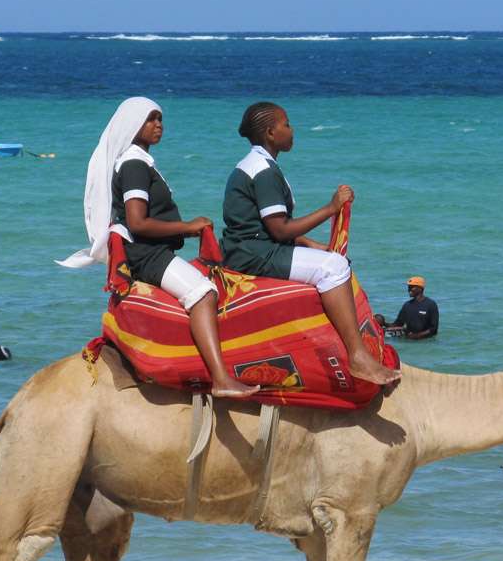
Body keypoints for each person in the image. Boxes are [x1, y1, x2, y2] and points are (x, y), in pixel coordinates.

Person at [86, 97, 257, 398]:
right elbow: (138, 223)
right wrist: (188, 227)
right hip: (146, 254)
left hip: (152, 251)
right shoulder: (135, 164)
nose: (158, 125)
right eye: (150, 119)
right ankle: (221, 378)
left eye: (160, 119)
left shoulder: (139, 161)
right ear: (132, 125)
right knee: (204, 293)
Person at [220, 102, 399, 386]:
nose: (292, 130)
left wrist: (309, 244)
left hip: (251, 247)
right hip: (255, 254)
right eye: (287, 124)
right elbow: (279, 230)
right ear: (270, 132)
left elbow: (269, 225)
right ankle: (357, 356)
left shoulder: (257, 165)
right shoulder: (263, 171)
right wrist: (330, 208)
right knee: (335, 268)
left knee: (328, 259)